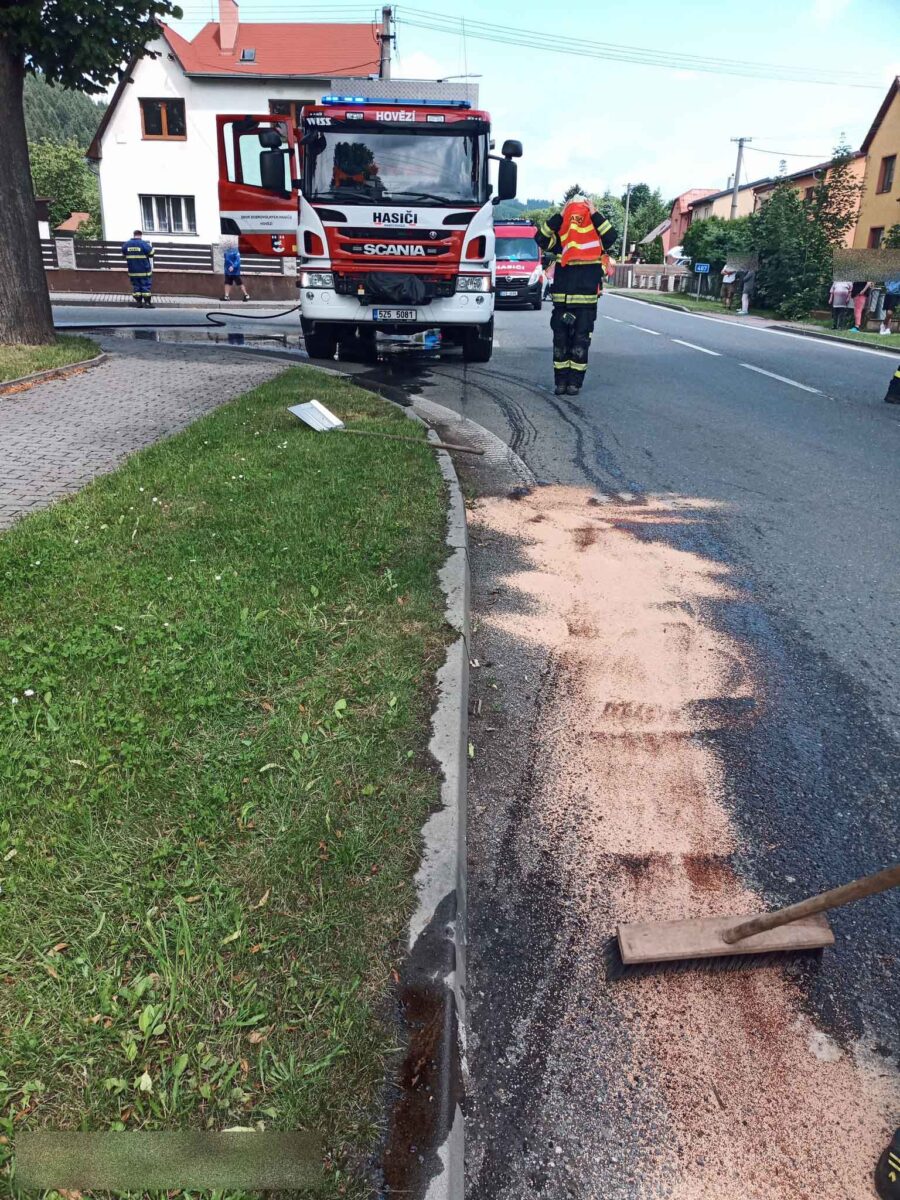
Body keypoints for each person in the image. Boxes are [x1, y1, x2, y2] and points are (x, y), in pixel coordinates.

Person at [535, 196, 617, 395]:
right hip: (568, 303)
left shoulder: (594, 234)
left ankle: (571, 384)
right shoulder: (564, 236)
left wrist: (595, 214)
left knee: (574, 344)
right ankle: (564, 384)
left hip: (579, 303)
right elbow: (541, 238)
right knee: (564, 344)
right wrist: (560, 216)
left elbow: (611, 236)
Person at [121, 230, 154, 306]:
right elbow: (152, 253)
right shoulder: (143, 244)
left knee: (136, 287)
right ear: (140, 235)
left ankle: (139, 303)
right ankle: (147, 303)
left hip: (132, 270)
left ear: (134, 235)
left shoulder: (127, 244)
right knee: (145, 287)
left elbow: (123, 254)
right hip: (144, 270)